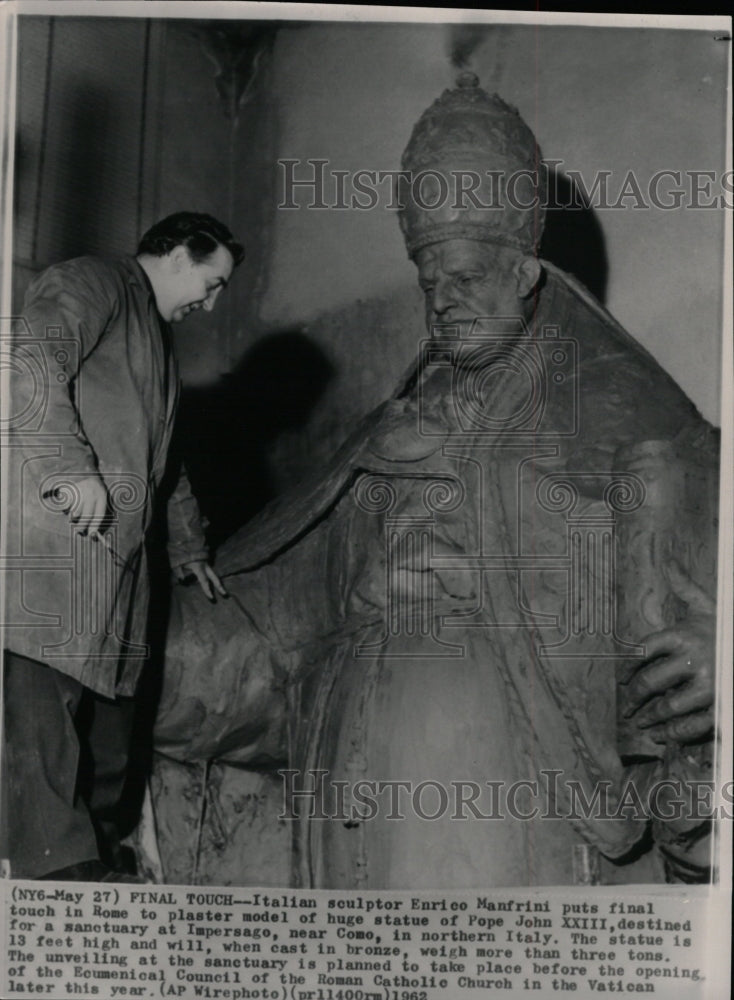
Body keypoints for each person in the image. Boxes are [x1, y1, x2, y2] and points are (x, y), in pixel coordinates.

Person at [155, 78, 718, 888]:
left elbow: (690, 608)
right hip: (342, 816)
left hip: (506, 823)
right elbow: (256, 648)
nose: (440, 304)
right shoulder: (379, 439)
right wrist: (118, 619)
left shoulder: (637, 423)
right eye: (427, 284)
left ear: (525, 274)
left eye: (461, 278)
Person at [1, 211, 243, 881]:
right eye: (211, 281)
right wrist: (68, 468)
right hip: (56, 548)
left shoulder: (157, 343)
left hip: (120, 568)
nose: (212, 301)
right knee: (43, 725)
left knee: (111, 729)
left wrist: (190, 547)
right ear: (171, 256)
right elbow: (30, 361)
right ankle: (54, 875)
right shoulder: (92, 282)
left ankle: (99, 866)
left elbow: (171, 464)